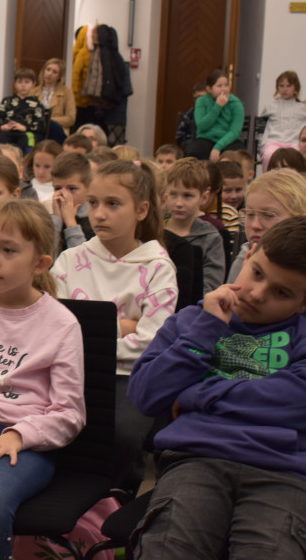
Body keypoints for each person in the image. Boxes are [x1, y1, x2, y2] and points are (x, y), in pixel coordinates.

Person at [128, 216, 306, 558]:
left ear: (303, 304)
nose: (256, 294)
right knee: (168, 549)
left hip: (282, 471)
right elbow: (146, 394)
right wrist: (206, 331)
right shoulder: (193, 321)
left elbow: (295, 398)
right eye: (257, 273)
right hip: (197, 459)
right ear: (250, 252)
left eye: (281, 293)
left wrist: (195, 395)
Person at [0, 199, 84, 560]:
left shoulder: (61, 324)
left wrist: (19, 435)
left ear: (39, 263)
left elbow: (70, 415)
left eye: (9, 250)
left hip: (24, 442)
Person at [50, 159, 177, 490]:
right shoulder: (69, 260)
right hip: (71, 368)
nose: (99, 214)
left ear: (142, 210)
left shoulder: (158, 268)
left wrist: (92, 333)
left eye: (113, 204)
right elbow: (54, 325)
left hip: (128, 376)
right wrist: (122, 326)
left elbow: (150, 343)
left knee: (120, 433)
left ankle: (115, 499)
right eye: (93, 203)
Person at [226, 168, 306, 283]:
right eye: (250, 214)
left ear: (300, 218)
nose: (255, 225)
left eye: (269, 215)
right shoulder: (245, 257)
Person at [163, 158, 226, 293]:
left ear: (204, 197)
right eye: (173, 194)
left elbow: (210, 286)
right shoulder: (155, 231)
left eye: (187, 196)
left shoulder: (211, 238)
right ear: (166, 195)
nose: (179, 203)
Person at [187, 69, 245, 162]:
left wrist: (218, 147)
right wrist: (218, 106)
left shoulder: (236, 103)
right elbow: (202, 126)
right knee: (195, 151)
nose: (224, 89)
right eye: (219, 86)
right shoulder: (201, 101)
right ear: (209, 89)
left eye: (226, 85)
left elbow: (235, 131)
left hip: (229, 140)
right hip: (206, 138)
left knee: (236, 155)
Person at [258, 71, 306, 171]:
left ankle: (295, 182)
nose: (285, 89)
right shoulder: (270, 106)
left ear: (296, 88)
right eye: (281, 86)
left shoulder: (302, 108)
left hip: (294, 143)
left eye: (288, 86)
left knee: (297, 157)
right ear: (277, 87)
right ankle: (268, 180)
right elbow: (262, 118)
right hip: (273, 141)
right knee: (268, 155)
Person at [50, 152, 94, 256]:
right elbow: (48, 259)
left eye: (72, 189)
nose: (64, 195)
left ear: (88, 188)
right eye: (58, 189)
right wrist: (57, 220)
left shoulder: (95, 220)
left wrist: (70, 223)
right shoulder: (52, 220)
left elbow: (84, 263)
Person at [0, 68, 46, 150]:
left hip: (25, 133)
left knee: (25, 142)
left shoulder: (37, 104)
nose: (23, 85)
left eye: (27, 82)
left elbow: (41, 126)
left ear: (34, 84)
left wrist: (25, 127)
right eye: (20, 82)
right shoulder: (7, 101)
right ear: (14, 84)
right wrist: (2, 126)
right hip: (7, 132)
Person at [37, 58, 76, 143]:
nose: (50, 74)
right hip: (37, 131)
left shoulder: (67, 92)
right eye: (48, 70)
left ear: (59, 76)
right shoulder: (33, 92)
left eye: (54, 72)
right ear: (43, 71)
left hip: (57, 131)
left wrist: (48, 120)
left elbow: (71, 118)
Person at [20, 139, 61, 204]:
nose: (40, 172)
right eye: (37, 165)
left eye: (47, 167)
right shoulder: (22, 188)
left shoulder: (64, 193)